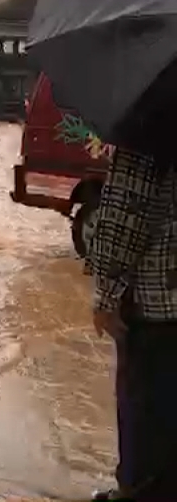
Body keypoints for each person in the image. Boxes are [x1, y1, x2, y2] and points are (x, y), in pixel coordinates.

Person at [88, 143, 177, 501]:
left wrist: (105, 297)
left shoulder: (151, 129)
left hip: (162, 311)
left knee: (149, 422)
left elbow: (124, 219)